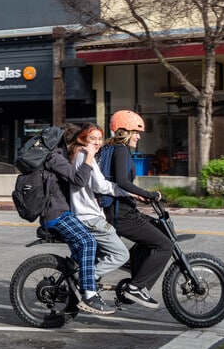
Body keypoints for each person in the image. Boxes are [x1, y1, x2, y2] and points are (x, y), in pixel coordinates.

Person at [103, 110, 174, 309]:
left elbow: (117, 184)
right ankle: (136, 287)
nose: (139, 136)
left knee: (157, 228)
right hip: (120, 213)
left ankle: (133, 264)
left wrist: (138, 195)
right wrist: (149, 194)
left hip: (121, 208)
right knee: (165, 246)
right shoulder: (121, 150)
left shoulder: (112, 148)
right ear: (124, 130)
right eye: (136, 132)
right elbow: (122, 181)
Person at [42, 126, 115, 316]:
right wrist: (89, 155)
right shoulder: (55, 158)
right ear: (74, 141)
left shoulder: (65, 157)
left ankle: (72, 285)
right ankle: (89, 294)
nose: (85, 146)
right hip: (55, 214)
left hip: (66, 213)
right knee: (87, 241)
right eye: (84, 142)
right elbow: (80, 180)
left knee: (88, 251)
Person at [68, 123, 131, 289]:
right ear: (83, 139)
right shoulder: (84, 155)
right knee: (121, 254)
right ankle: (85, 279)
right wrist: (128, 191)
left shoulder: (81, 155)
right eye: (92, 138)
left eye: (99, 139)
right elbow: (100, 186)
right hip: (90, 218)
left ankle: (89, 278)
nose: (97, 142)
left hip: (87, 215)